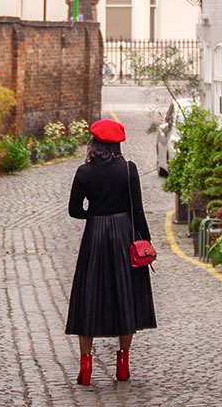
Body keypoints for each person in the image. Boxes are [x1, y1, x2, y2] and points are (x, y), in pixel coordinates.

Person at [64, 118, 156, 384]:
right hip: (123, 234)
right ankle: (123, 362)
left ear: (94, 144)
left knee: (88, 293)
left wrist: (94, 215)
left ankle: (85, 364)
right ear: (117, 145)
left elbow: (73, 210)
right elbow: (137, 210)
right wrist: (147, 243)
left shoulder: (83, 172)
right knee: (125, 294)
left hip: (95, 237)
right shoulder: (129, 169)